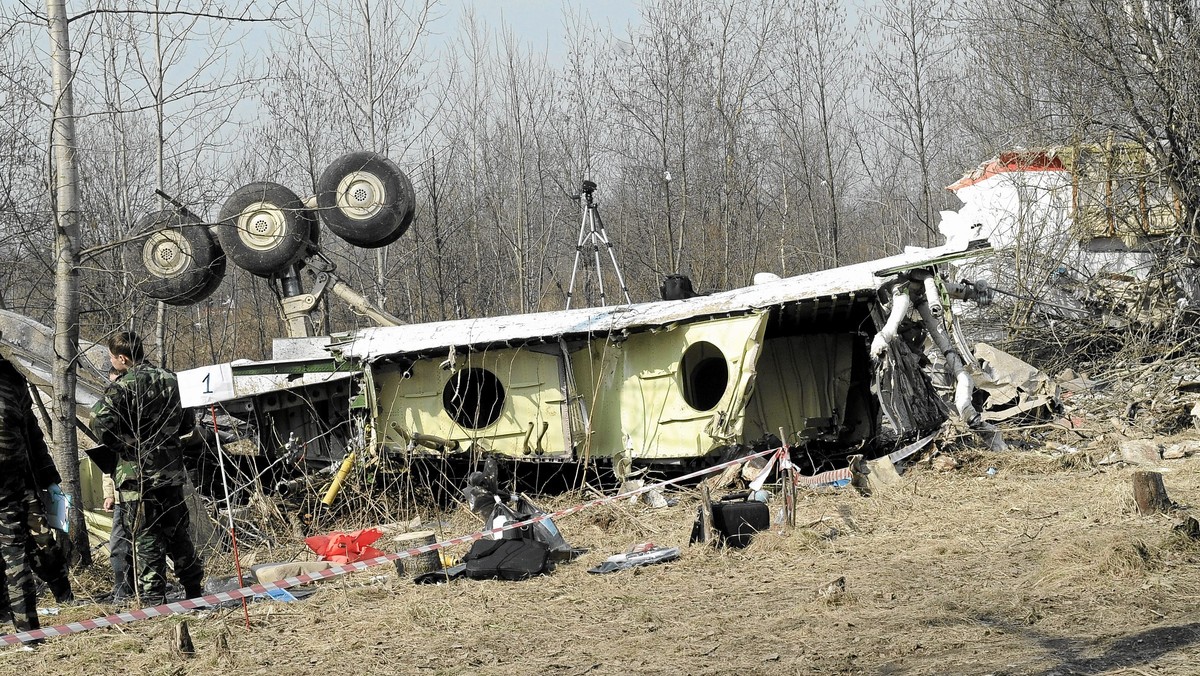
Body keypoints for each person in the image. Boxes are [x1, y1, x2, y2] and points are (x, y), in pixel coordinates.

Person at [90, 332, 203, 605]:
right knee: (178, 533)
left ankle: (154, 598)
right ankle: (194, 589)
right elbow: (188, 423)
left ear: (122, 358)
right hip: (171, 471)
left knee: (147, 535)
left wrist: (126, 445)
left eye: (111, 358)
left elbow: (98, 421)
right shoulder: (171, 379)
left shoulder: (124, 386)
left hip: (137, 474)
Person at [0, 355, 72, 634]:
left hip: (21, 483)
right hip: (15, 483)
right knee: (14, 553)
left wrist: (48, 478)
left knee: (40, 545)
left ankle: (62, 595)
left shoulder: (10, 376)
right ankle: (24, 627)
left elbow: (32, 433)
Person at [98, 368, 134, 604]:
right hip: (120, 495)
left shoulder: (138, 411)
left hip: (139, 491)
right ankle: (122, 590)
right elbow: (106, 462)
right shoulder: (109, 415)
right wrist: (109, 494)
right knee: (118, 545)